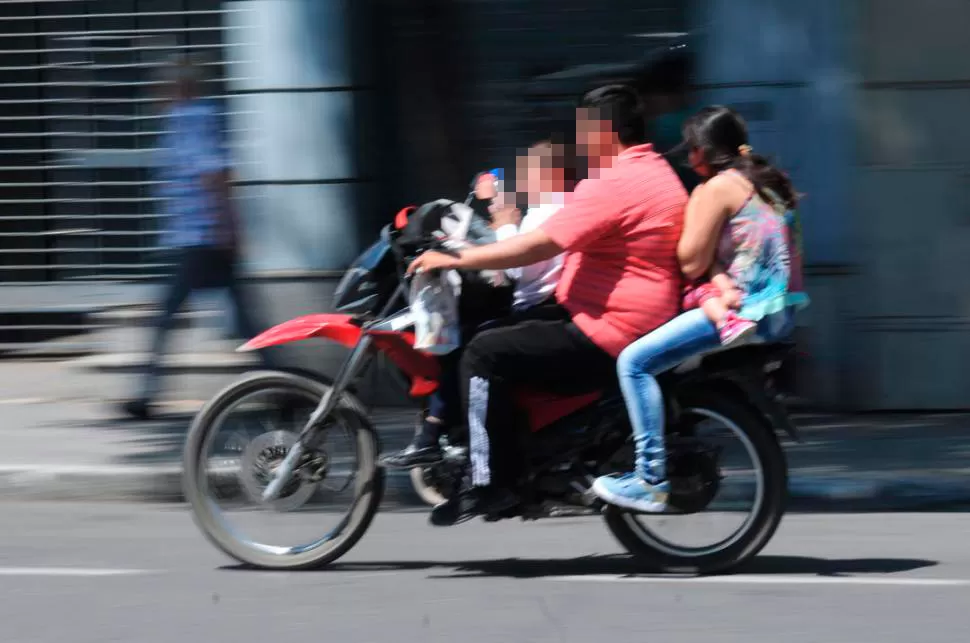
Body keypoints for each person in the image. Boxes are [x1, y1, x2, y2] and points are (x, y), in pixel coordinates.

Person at [406, 85, 689, 522]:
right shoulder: (654, 170)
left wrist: (455, 257)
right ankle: (526, 460)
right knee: (493, 333)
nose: (578, 144)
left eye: (583, 132)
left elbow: (536, 246)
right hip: (615, 318)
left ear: (603, 131)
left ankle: (492, 482)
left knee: (484, 353)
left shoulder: (617, 181)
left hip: (607, 331)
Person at [591, 105, 810, 513]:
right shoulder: (766, 181)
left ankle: (649, 478)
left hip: (745, 314)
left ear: (704, 151)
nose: (689, 159)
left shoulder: (717, 188)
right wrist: (717, 271)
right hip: (778, 314)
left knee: (634, 363)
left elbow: (689, 260)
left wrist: (697, 223)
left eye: (691, 151)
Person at [382, 139, 570, 468]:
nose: (519, 179)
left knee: (467, 345)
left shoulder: (549, 212)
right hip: (531, 303)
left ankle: (438, 435)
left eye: (527, 171)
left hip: (537, 309)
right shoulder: (545, 210)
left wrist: (506, 220)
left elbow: (516, 265)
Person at [121, 53, 270, 420]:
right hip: (196, 235)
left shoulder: (192, 119)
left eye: (161, 87)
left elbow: (214, 175)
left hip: (200, 237)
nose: (156, 94)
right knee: (243, 320)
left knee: (167, 318)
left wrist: (227, 227)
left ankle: (146, 395)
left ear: (178, 87)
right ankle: (279, 382)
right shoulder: (187, 119)